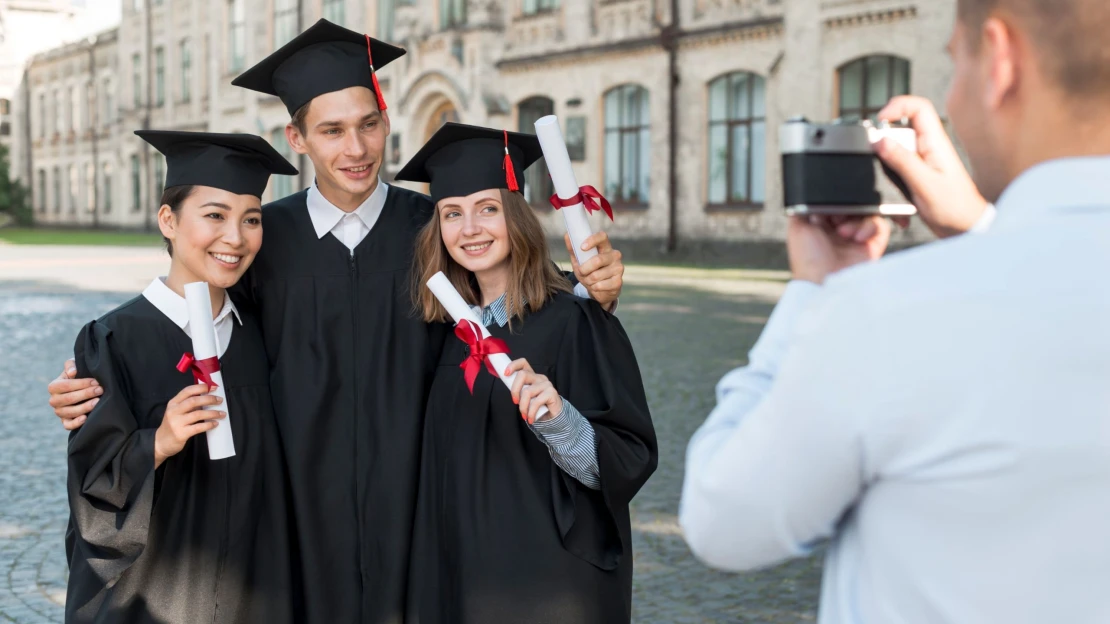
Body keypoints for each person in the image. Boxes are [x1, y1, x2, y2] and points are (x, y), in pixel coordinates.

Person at [49, 19, 626, 623]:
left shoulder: (437, 230)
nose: (355, 149)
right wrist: (95, 384)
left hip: (419, 518)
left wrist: (598, 292)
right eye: (331, 130)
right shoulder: (261, 241)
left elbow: (525, 306)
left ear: (386, 121)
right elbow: (197, 319)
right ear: (296, 137)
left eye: (368, 124)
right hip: (292, 527)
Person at [679, 0, 1110, 622]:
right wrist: (982, 232)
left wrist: (814, 294)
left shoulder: (886, 315)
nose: (953, 103)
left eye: (955, 65)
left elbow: (723, 521)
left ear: (1002, 57)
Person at [398, 123, 657, 623]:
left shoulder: (572, 319)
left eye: (487, 209)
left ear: (515, 216)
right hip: (461, 576)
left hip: (545, 583)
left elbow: (627, 459)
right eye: (452, 214)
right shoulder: (445, 334)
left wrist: (560, 419)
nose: (470, 228)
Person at [65, 131, 298, 623]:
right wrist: (159, 441)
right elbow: (92, 487)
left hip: (257, 585)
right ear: (168, 220)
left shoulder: (263, 333)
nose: (235, 237)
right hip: (161, 594)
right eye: (214, 215)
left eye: (251, 219)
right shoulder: (114, 339)